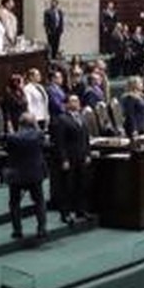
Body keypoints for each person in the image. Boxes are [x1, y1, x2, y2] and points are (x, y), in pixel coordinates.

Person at [2, 114, 48, 240]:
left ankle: (17, 230)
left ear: (20, 123)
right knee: (39, 202)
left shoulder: (12, 137)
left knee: (14, 203)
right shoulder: (39, 135)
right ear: (33, 123)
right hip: (34, 174)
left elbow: (7, 150)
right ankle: (41, 229)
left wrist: (11, 131)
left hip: (17, 175)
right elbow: (44, 145)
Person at [49, 94, 93, 225]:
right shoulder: (61, 119)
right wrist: (64, 159)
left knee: (82, 185)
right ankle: (66, 213)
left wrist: (88, 154)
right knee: (67, 187)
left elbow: (86, 138)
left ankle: (81, 210)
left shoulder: (81, 117)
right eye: (73, 101)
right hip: (69, 158)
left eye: (77, 100)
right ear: (66, 104)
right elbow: (60, 142)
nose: (77, 103)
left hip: (81, 156)